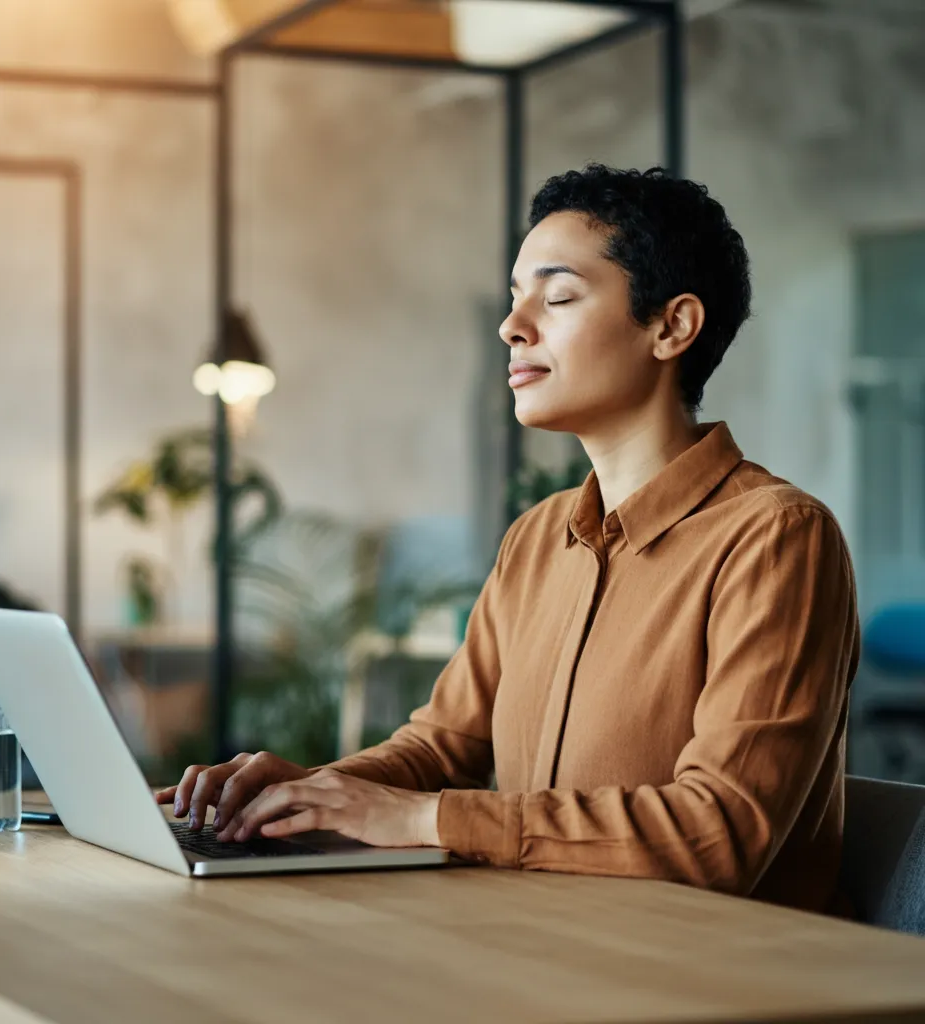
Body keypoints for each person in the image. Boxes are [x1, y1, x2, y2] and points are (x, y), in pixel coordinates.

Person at [158, 165, 859, 913]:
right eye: (515, 299)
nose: (512, 326)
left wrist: (423, 819)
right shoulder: (536, 539)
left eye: (557, 297)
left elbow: (716, 833)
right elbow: (440, 747)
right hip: (531, 945)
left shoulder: (776, 539)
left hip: (705, 985)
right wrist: (313, 792)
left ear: (671, 326)